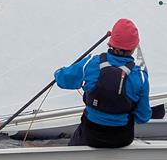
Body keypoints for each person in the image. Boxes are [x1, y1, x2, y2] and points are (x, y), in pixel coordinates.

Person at [55, 18, 151, 148]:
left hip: (91, 136)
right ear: (134, 47)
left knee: (79, 135)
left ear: (110, 42)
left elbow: (62, 80)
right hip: (121, 139)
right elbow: (143, 117)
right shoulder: (140, 76)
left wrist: (58, 73)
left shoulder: (91, 63)